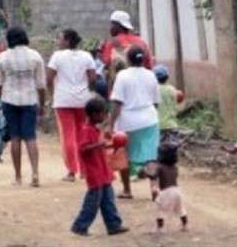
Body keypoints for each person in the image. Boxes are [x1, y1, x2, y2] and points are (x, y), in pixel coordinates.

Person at [0, 26, 46, 187]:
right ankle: (35, 174)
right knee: (30, 137)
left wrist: (0, 97)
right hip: (30, 99)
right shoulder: (35, 56)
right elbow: (41, 86)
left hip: (9, 100)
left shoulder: (2, 57)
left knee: (15, 137)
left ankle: (18, 177)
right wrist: (42, 104)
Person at [71, 97, 129, 237]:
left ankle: (114, 225)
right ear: (94, 114)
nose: (105, 116)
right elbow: (83, 149)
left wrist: (113, 144)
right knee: (92, 203)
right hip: (95, 173)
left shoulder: (96, 130)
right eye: (103, 113)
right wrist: (99, 145)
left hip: (103, 171)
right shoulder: (86, 130)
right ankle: (80, 226)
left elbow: (100, 147)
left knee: (108, 201)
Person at [108, 46, 160, 199]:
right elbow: (156, 102)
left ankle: (127, 189)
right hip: (149, 119)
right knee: (151, 156)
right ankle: (154, 187)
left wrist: (111, 124)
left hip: (127, 122)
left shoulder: (122, 76)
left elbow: (117, 103)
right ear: (143, 59)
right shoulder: (151, 75)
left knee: (123, 156)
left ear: (128, 59)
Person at [47, 29, 96, 182]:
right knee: (82, 134)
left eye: (60, 39)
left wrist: (52, 93)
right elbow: (93, 78)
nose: (58, 41)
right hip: (83, 100)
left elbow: (49, 78)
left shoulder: (57, 56)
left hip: (63, 100)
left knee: (68, 135)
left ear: (67, 41)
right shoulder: (86, 55)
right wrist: (88, 91)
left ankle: (71, 171)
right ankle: (84, 170)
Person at [101, 10, 153, 92]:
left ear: (118, 25)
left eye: (112, 24)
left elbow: (107, 62)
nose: (110, 28)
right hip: (140, 89)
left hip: (119, 91)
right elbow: (149, 65)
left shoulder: (112, 43)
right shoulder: (141, 42)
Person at [141, 143, 188, 233]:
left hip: (166, 191)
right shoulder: (175, 167)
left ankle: (160, 228)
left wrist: (146, 172)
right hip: (177, 191)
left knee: (160, 210)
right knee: (180, 208)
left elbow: (153, 176)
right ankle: (185, 225)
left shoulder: (160, 167)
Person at [154, 65, 181, 138]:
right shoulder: (173, 90)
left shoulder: (154, 90)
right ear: (167, 77)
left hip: (157, 127)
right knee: (172, 148)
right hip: (172, 126)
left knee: (158, 148)